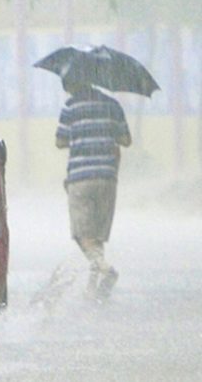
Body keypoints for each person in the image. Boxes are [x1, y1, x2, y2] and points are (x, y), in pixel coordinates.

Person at [55, 77, 131, 301]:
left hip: (80, 178)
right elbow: (126, 140)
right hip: (108, 178)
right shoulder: (112, 105)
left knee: (82, 234)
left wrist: (80, 136)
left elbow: (59, 141)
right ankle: (93, 288)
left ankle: (105, 269)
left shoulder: (71, 107)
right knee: (97, 234)